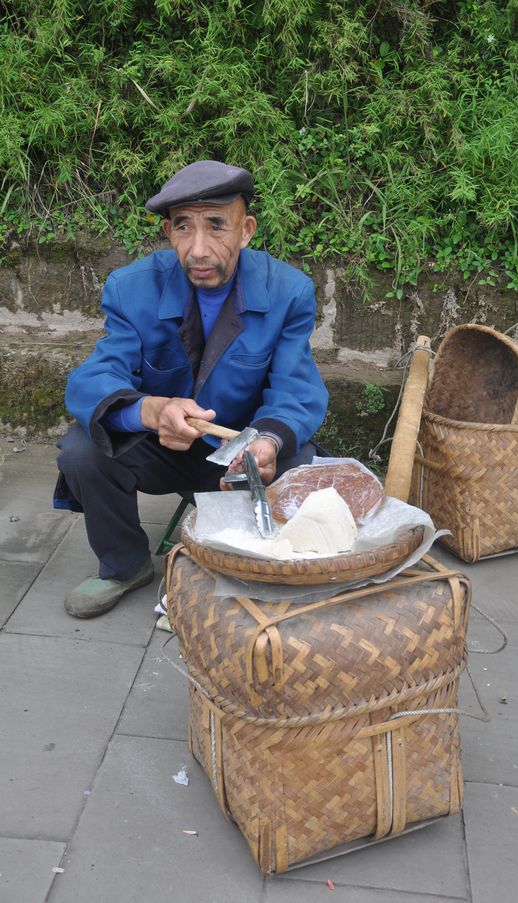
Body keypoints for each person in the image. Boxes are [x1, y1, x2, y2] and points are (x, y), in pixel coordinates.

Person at [53, 160, 328, 618]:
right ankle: (125, 565)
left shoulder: (288, 292)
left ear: (246, 230)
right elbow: (94, 378)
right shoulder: (130, 288)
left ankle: (238, 568)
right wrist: (150, 412)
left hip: (240, 454)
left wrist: (266, 441)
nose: (198, 249)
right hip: (160, 448)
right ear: (168, 231)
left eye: (216, 226)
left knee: (299, 459)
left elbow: (295, 389)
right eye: (183, 227)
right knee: (83, 449)